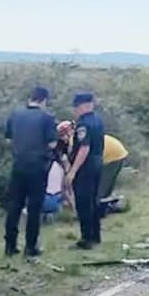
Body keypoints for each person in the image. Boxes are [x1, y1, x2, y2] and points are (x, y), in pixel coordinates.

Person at [3, 87, 57, 258]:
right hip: (37, 167)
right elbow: (52, 144)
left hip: (18, 165)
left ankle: (10, 246)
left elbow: (8, 139)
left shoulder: (16, 114)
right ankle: (30, 247)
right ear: (43, 100)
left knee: (14, 206)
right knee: (34, 208)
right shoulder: (46, 117)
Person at [64, 92, 105, 249]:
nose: (75, 111)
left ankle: (86, 239)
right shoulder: (98, 120)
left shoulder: (83, 124)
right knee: (93, 200)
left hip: (85, 166)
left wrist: (73, 170)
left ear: (81, 106)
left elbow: (84, 147)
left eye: (76, 107)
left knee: (83, 202)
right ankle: (96, 235)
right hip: (98, 163)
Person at [98, 133, 129, 218]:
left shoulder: (74, 140)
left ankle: (103, 211)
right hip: (116, 152)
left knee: (101, 189)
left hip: (112, 156)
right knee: (106, 187)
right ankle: (111, 204)